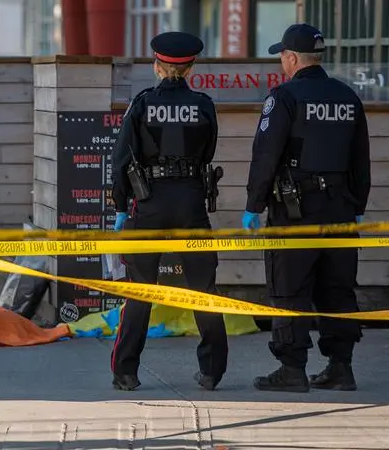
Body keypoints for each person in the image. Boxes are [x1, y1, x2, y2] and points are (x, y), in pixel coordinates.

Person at [242, 23, 371, 393]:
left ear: (293, 58)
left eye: (282, 55)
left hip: (294, 212)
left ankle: (292, 368)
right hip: (341, 211)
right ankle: (340, 366)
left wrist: (254, 204)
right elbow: (361, 160)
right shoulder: (348, 97)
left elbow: (266, 155)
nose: (282, 62)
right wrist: (357, 205)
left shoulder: (284, 97)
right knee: (338, 288)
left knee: (289, 288)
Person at [109, 31, 228, 391]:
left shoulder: (143, 104)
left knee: (141, 290)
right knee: (203, 289)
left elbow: (121, 160)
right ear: (191, 67)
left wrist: (119, 207)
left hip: (150, 202)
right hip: (192, 200)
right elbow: (208, 153)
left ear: (157, 65)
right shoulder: (204, 104)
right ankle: (212, 371)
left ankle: (125, 372)